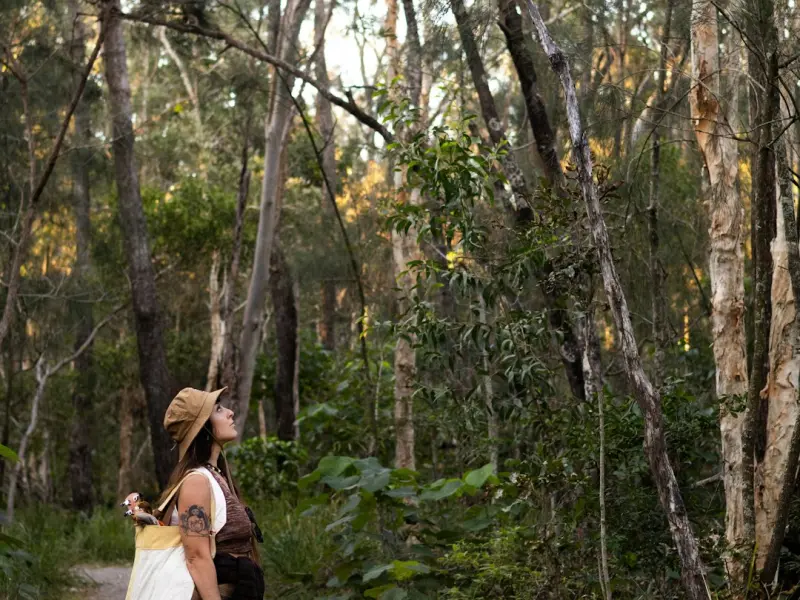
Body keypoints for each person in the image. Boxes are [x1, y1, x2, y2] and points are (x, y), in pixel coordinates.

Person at [156, 387, 265, 600]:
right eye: (218, 409)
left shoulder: (218, 476)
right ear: (203, 427)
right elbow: (196, 557)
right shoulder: (197, 482)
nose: (229, 412)